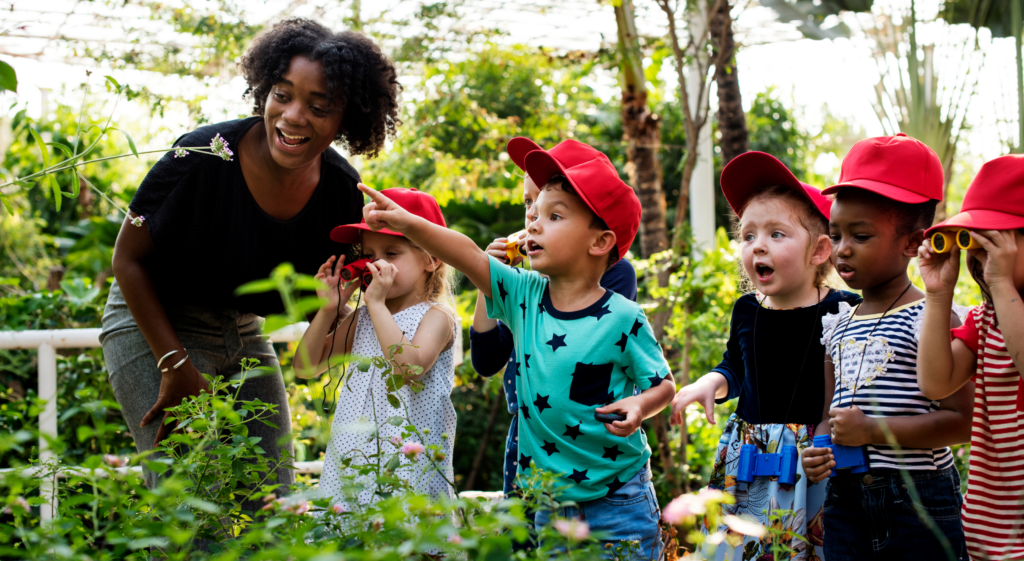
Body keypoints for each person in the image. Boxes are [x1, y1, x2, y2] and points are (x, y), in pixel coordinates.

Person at [99, 18, 401, 511]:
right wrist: (174, 363)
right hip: (152, 321)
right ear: (264, 89)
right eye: (282, 94)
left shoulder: (341, 192)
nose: (293, 116)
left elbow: (328, 304)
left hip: (243, 330)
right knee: (190, 504)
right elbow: (127, 260)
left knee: (273, 503)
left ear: (346, 118)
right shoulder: (199, 156)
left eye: (319, 106)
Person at [357, 140, 674, 559]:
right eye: (535, 212)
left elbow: (664, 385)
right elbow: (467, 254)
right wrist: (408, 224)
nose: (534, 224)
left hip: (619, 497)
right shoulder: (522, 293)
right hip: (549, 502)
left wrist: (641, 406)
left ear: (600, 242)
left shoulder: (624, 316)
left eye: (554, 215)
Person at [669, 152, 860, 560]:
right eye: (749, 235)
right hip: (747, 456)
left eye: (777, 234)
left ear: (820, 250)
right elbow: (736, 368)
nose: (758, 246)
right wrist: (710, 383)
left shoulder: (843, 309)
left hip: (813, 458)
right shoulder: (747, 309)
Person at [798, 134, 972, 560]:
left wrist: (874, 431)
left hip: (917, 501)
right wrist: (819, 451)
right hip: (845, 502)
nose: (841, 250)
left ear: (912, 243)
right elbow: (828, 415)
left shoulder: (931, 317)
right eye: (835, 235)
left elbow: (960, 421)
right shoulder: (836, 324)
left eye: (860, 236)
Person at [469, 137, 637, 507]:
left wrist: (521, 284)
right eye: (528, 204)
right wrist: (489, 281)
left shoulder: (615, 274)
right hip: (529, 434)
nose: (531, 217)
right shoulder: (524, 282)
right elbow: (485, 361)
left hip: (586, 442)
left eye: (550, 211)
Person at [294, 188, 457, 508]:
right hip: (354, 464)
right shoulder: (365, 315)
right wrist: (328, 309)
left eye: (391, 253)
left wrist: (376, 305)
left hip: (410, 471)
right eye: (369, 255)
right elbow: (306, 366)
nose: (375, 264)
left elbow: (408, 369)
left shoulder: (437, 316)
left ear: (432, 259)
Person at [916, 154, 1024, 560]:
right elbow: (935, 383)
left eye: (993, 244)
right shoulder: (986, 321)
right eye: (974, 248)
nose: (980, 263)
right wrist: (938, 294)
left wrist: (1001, 280)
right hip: (987, 534)